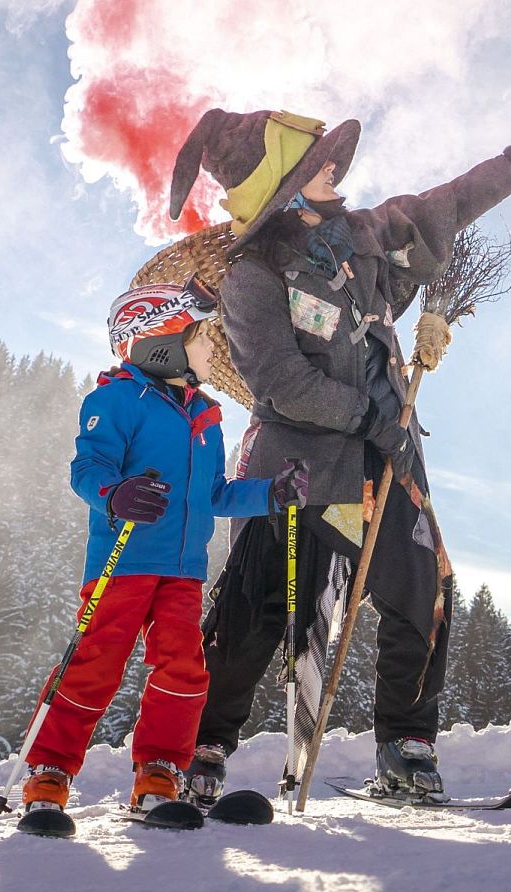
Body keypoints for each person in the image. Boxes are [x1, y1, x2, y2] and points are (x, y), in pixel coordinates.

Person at [165, 107, 511, 801]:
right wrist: (367, 416)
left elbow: (448, 203)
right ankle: (204, 746)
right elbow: (279, 381)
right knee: (263, 608)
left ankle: (406, 745)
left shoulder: (365, 236)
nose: (336, 167)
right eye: (317, 164)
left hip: (388, 461)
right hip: (297, 467)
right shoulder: (252, 276)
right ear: (288, 189)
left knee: (426, 591)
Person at [18, 280, 310, 818]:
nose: (211, 350)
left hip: (183, 571)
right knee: (95, 665)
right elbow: (88, 469)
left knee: (184, 671)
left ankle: (160, 771)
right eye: (202, 339)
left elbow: (217, 494)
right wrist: (116, 494)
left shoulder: (206, 418)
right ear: (162, 342)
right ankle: (49, 774)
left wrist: (271, 493)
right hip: (123, 562)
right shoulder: (118, 399)